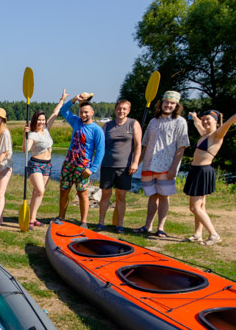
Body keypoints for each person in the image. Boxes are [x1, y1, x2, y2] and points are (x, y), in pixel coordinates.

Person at [184, 101, 236, 245]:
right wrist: (195, 117)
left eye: (209, 119)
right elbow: (198, 125)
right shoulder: (205, 135)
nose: (205, 121)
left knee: (194, 207)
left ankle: (214, 235)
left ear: (216, 121)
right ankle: (197, 234)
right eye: (204, 118)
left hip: (202, 171)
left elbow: (227, 124)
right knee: (200, 207)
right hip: (197, 171)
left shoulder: (217, 135)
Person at [136, 90, 189, 237]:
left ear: (176, 105)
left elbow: (181, 147)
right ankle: (148, 226)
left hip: (166, 166)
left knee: (164, 196)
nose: (169, 105)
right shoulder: (153, 121)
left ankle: (161, 227)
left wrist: (174, 168)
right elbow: (145, 144)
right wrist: (136, 163)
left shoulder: (180, 122)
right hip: (149, 165)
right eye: (166, 102)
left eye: (172, 103)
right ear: (161, 103)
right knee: (152, 196)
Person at [54, 91, 105, 225]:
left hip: (83, 167)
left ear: (92, 112)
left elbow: (100, 151)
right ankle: (61, 217)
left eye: (86, 112)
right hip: (69, 164)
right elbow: (63, 110)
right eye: (82, 112)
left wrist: (92, 169)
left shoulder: (97, 130)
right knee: (64, 191)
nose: (83, 115)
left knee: (82, 193)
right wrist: (74, 99)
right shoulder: (76, 122)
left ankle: (83, 221)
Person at [96, 99, 143, 232]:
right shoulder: (107, 126)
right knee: (105, 194)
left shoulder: (133, 124)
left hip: (125, 166)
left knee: (121, 196)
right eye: (119, 108)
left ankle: (119, 225)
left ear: (128, 111)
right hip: (107, 165)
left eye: (124, 109)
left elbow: (138, 144)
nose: (121, 111)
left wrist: (135, 162)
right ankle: (101, 223)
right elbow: (100, 145)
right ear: (115, 109)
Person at [22, 108, 54, 228]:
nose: (41, 122)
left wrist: (62, 100)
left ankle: (32, 218)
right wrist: (25, 136)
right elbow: (26, 150)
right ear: (35, 121)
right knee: (40, 190)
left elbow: (54, 114)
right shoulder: (32, 135)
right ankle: (31, 219)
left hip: (47, 165)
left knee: (37, 193)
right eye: (39, 120)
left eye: (43, 120)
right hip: (36, 164)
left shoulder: (46, 130)